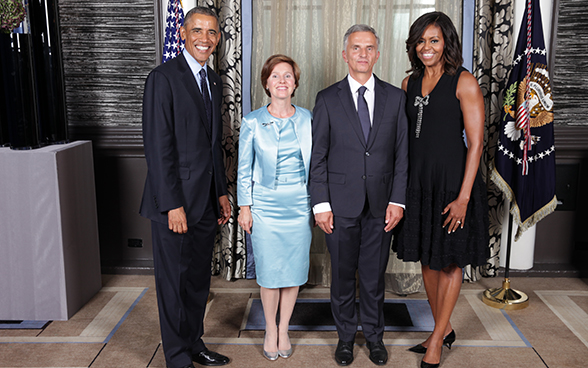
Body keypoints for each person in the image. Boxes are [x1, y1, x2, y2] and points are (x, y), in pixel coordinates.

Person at [394, 11, 489, 368]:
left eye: (434, 40)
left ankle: (436, 341)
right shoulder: (408, 84)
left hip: (453, 185)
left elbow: (477, 144)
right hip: (419, 184)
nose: (426, 47)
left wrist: (463, 198)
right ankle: (443, 328)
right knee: (427, 261)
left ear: (447, 42)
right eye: (420, 41)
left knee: (449, 262)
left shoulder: (464, 82)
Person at [310, 24, 409, 366]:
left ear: (378, 54)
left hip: (382, 206)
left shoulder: (396, 98)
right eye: (356, 48)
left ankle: (375, 337)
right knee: (341, 277)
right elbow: (318, 157)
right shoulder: (327, 99)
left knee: (372, 278)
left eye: (369, 48)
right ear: (345, 54)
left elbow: (402, 156)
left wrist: (398, 201)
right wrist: (320, 205)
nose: (363, 54)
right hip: (338, 207)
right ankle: (345, 339)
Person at [140, 7, 231, 368]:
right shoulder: (163, 78)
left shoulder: (212, 79)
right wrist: (171, 204)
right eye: (197, 30)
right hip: (174, 204)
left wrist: (221, 192)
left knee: (196, 283)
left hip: (206, 202)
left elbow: (213, 144)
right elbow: (158, 147)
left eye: (211, 32)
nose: (204, 38)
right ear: (182, 32)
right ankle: (177, 357)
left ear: (218, 38)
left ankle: (194, 343)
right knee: (173, 286)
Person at [237, 54, 312, 361]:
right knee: (269, 273)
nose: (282, 81)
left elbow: (318, 165)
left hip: (299, 206)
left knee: (293, 272)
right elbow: (243, 168)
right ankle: (270, 328)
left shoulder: (309, 118)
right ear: (266, 83)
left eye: (288, 76)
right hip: (265, 207)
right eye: (275, 76)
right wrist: (245, 207)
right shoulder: (252, 121)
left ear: (295, 84)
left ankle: (285, 329)